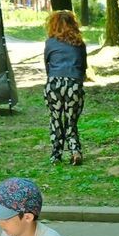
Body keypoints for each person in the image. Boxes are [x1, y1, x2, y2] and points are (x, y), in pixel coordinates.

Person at [44, 11, 89, 165]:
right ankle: (75, 151)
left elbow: (47, 65)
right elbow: (83, 67)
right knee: (71, 121)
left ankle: (56, 154)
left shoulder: (50, 42)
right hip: (74, 83)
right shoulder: (79, 43)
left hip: (54, 82)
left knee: (55, 119)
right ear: (73, 24)